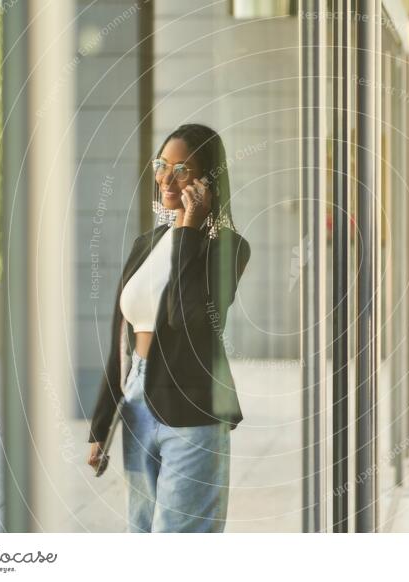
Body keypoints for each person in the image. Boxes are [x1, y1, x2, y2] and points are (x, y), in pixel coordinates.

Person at [86, 123, 250, 533]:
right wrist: (101, 421)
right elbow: (119, 339)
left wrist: (190, 228)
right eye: (162, 165)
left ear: (206, 179)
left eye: (181, 168)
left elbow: (185, 316)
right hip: (137, 404)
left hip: (192, 410)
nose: (166, 177)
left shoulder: (227, 248)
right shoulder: (146, 243)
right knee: (141, 535)